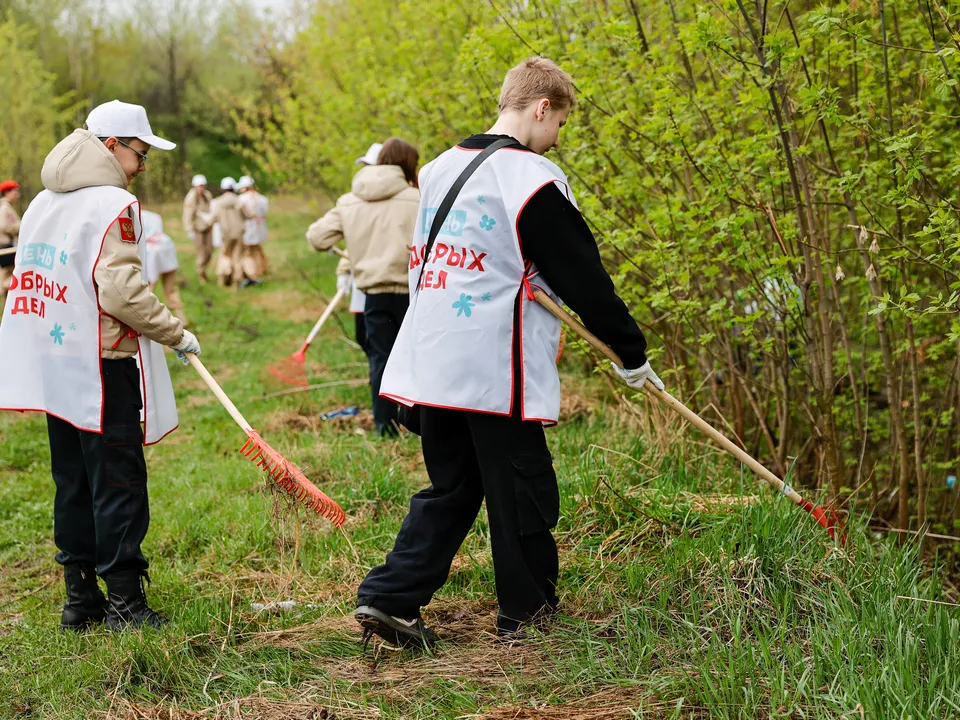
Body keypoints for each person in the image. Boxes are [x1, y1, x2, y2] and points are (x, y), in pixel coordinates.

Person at [354, 58, 663, 647]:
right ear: (541, 108)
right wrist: (631, 351)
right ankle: (531, 616)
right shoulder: (530, 178)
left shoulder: (441, 167)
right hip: (495, 366)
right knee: (522, 488)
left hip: (434, 357)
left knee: (454, 485)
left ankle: (390, 597)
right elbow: (582, 276)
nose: (558, 138)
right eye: (561, 123)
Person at [0, 100, 201, 631]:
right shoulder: (114, 204)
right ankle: (126, 604)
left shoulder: (44, 200)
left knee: (72, 479)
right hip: (100, 363)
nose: (142, 167)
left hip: (55, 360)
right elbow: (121, 291)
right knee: (117, 481)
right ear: (111, 145)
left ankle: (81, 599)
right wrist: (176, 331)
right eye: (140, 153)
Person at [307, 138, 420, 436]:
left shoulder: (349, 201)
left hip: (373, 295)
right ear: (408, 165)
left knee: (380, 359)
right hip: (413, 293)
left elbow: (317, 238)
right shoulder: (418, 198)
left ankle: (386, 426)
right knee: (416, 358)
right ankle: (420, 424)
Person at [142, 209, 187, 326]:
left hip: (151, 252)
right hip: (166, 247)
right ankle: (181, 318)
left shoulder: (134, 216)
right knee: (170, 287)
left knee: (147, 287)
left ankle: (145, 319)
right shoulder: (154, 216)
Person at [210, 177, 252, 287]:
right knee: (237, 256)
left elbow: (213, 218)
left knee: (225, 256)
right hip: (238, 234)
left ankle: (223, 279)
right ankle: (236, 281)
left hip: (225, 234)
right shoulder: (239, 201)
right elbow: (249, 215)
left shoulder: (218, 202)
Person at [236, 175, 269, 288]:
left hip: (248, 230)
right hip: (260, 229)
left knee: (248, 253)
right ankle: (261, 270)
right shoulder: (262, 199)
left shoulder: (241, 199)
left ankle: (252, 274)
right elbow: (265, 214)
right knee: (257, 251)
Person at [182, 174, 214, 283]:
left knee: (209, 251)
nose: (201, 188)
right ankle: (201, 274)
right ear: (194, 186)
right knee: (201, 252)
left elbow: (211, 210)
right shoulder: (191, 198)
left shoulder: (207, 195)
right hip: (197, 229)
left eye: (203, 186)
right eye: (199, 186)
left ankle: (204, 269)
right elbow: (188, 215)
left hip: (208, 227)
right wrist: (189, 230)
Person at [0, 179, 20, 312]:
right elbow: (4, 225)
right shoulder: (5, 208)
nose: (17, 194)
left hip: (7, 245)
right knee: (6, 276)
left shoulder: (6, 207)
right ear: (7, 192)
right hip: (6, 246)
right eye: (15, 191)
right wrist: (19, 226)